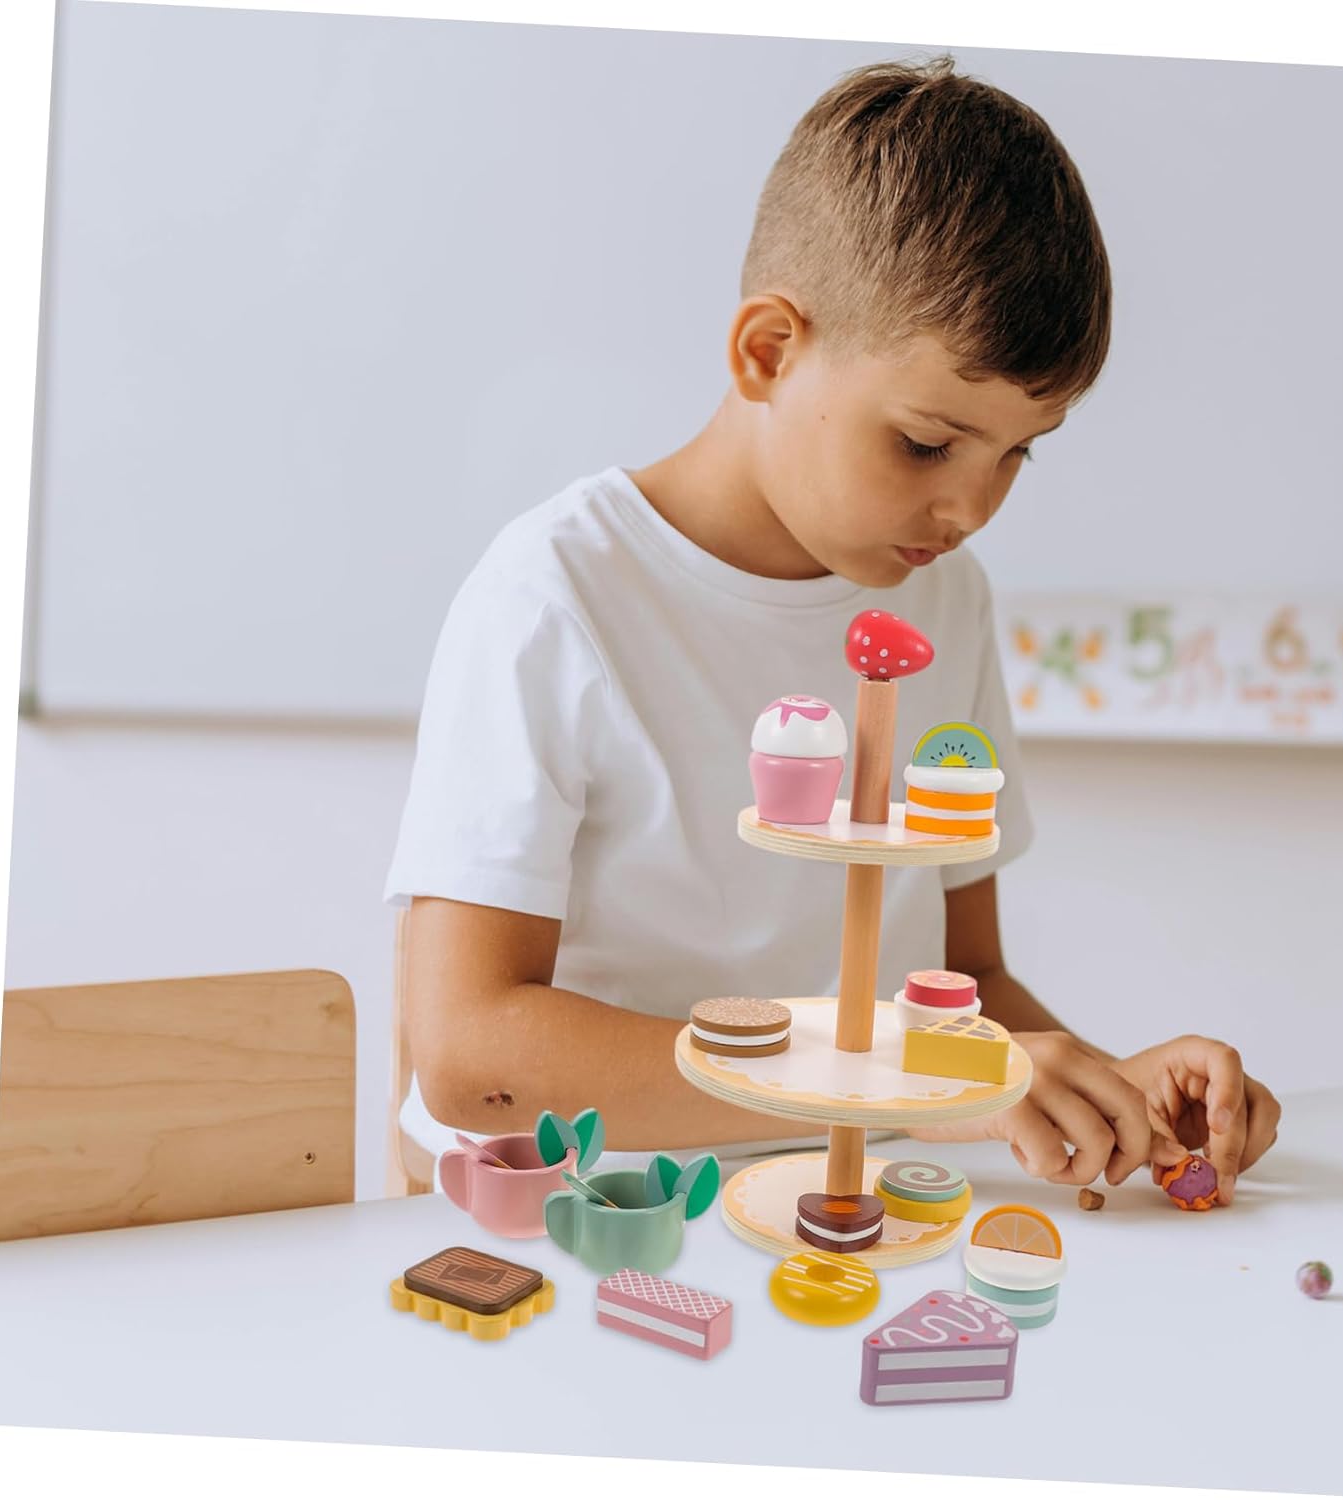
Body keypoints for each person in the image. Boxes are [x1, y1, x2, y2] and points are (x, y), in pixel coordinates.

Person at [384, 55, 1280, 1203]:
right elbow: (472, 1061)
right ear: (768, 351)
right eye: (926, 443)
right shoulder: (552, 598)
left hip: (848, 1199)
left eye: (1018, 454)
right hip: (593, 1216)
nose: (971, 508)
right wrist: (901, 1074)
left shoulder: (946, 600)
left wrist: (1109, 1090)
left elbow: (964, 980)